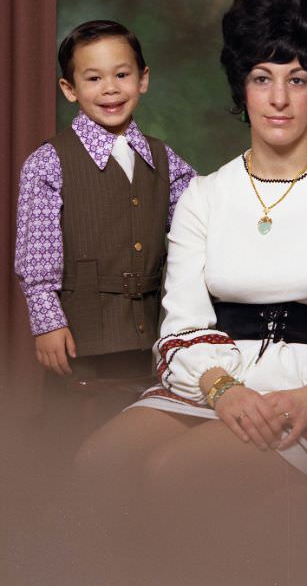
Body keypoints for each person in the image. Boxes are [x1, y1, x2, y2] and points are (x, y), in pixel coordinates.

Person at [76, 0, 307, 493]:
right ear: (242, 87)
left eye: (296, 79)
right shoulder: (203, 196)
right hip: (216, 383)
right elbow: (182, 326)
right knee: (97, 464)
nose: (279, 98)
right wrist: (223, 389)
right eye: (261, 77)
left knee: (175, 473)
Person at [15, 20, 196, 384]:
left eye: (122, 75)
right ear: (70, 88)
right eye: (94, 78)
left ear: (142, 79)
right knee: (79, 430)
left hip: (152, 337)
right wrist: (47, 323)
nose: (110, 89)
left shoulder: (164, 158)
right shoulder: (49, 162)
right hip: (82, 343)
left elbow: (197, 220)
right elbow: (36, 256)